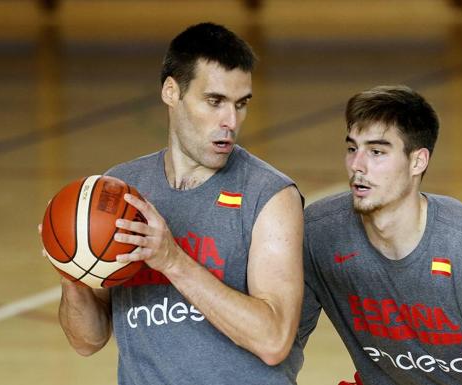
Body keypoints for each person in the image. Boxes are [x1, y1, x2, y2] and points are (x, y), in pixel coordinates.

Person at [56, 22, 304, 385]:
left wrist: (171, 260)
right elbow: (87, 341)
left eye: (241, 104)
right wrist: (72, 270)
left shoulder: (270, 196)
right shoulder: (124, 189)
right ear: (172, 92)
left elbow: (273, 340)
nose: (231, 122)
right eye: (215, 101)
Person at [299, 85, 462, 385]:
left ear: (418, 161)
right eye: (352, 148)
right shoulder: (318, 235)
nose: (358, 166)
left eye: (377, 152)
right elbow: (283, 346)